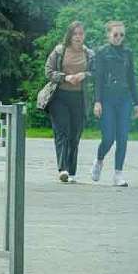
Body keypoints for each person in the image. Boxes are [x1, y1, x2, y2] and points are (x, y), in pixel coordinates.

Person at [43, 21, 94, 183]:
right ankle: (63, 169)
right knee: (62, 132)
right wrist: (66, 77)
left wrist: (84, 75)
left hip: (79, 98)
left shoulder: (89, 54)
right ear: (70, 35)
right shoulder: (59, 51)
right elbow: (48, 71)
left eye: (81, 34)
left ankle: (71, 172)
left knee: (75, 135)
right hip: (59, 96)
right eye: (75, 34)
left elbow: (96, 72)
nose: (78, 37)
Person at [90, 21, 138, 187]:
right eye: (115, 34)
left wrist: (137, 103)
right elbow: (98, 79)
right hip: (107, 99)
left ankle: (118, 174)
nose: (119, 38)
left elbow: (132, 79)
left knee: (123, 138)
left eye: (122, 35)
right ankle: (99, 160)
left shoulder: (128, 53)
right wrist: (97, 101)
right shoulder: (102, 53)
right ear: (108, 35)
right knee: (109, 138)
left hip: (124, 99)